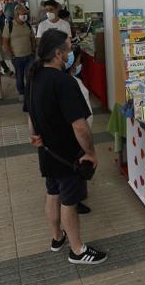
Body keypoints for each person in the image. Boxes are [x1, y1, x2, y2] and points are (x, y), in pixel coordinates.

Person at [26, 30, 107, 265]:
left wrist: (35, 137)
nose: (72, 53)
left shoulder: (34, 76)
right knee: (69, 202)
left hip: (48, 152)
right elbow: (80, 127)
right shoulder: (64, 82)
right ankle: (78, 250)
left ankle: (56, 238)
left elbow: (30, 115)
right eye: (70, 49)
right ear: (59, 53)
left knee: (52, 193)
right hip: (68, 155)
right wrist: (90, 153)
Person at [65, 46, 92, 215]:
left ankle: (73, 198)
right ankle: (74, 201)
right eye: (79, 61)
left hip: (65, 138)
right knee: (75, 171)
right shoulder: (73, 84)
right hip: (77, 137)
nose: (81, 64)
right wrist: (90, 149)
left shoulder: (58, 80)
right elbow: (81, 121)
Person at [2, 5, 35, 101]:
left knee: (30, 75)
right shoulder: (9, 26)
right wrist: (11, 55)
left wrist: (33, 50)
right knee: (19, 76)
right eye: (23, 14)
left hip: (29, 55)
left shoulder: (27, 25)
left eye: (26, 14)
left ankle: (30, 92)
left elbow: (32, 38)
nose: (25, 16)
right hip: (17, 57)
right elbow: (5, 42)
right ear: (16, 14)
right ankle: (21, 92)